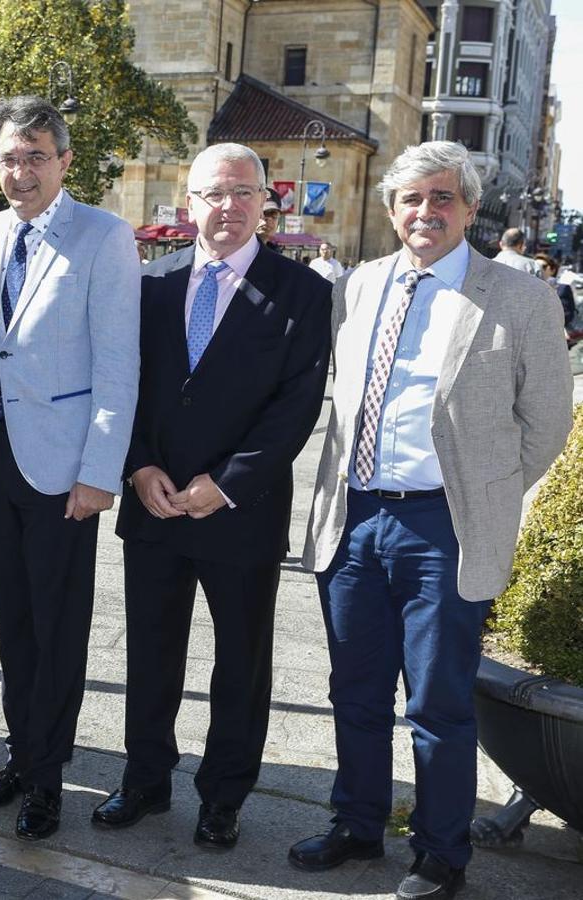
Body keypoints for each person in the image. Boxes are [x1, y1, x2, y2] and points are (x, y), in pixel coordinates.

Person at [290, 141, 572, 900]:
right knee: (353, 688)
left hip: (444, 527)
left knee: (437, 701)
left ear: (471, 210)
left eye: (443, 198)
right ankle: (357, 824)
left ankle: (441, 854)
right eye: (412, 199)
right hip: (353, 518)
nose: (426, 212)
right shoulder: (357, 287)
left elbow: (546, 421)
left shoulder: (519, 298)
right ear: (391, 210)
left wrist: (487, 491)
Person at [92, 143, 331, 849]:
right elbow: (121, 383)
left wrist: (224, 484)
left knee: (241, 664)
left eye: (241, 193)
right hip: (155, 503)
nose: (226, 207)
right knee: (150, 655)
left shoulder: (305, 293)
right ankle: (144, 781)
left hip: (241, 515)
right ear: (187, 202)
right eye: (212, 194)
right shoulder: (151, 283)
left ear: (265, 202)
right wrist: (137, 468)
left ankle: (224, 796)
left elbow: (296, 406)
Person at [0, 96, 139, 841]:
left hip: (64, 469)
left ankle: (48, 779)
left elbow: (119, 363)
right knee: (11, 621)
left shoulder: (104, 236)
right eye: (8, 157)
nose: (20, 171)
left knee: (58, 627)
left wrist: (101, 471)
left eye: (34, 156)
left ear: (63, 160)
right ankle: (21, 755)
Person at [540, 257, 577, 329]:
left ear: (552, 270)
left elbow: (567, 315)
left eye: (543, 267)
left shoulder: (562, 289)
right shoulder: (526, 289)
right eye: (535, 266)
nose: (538, 269)